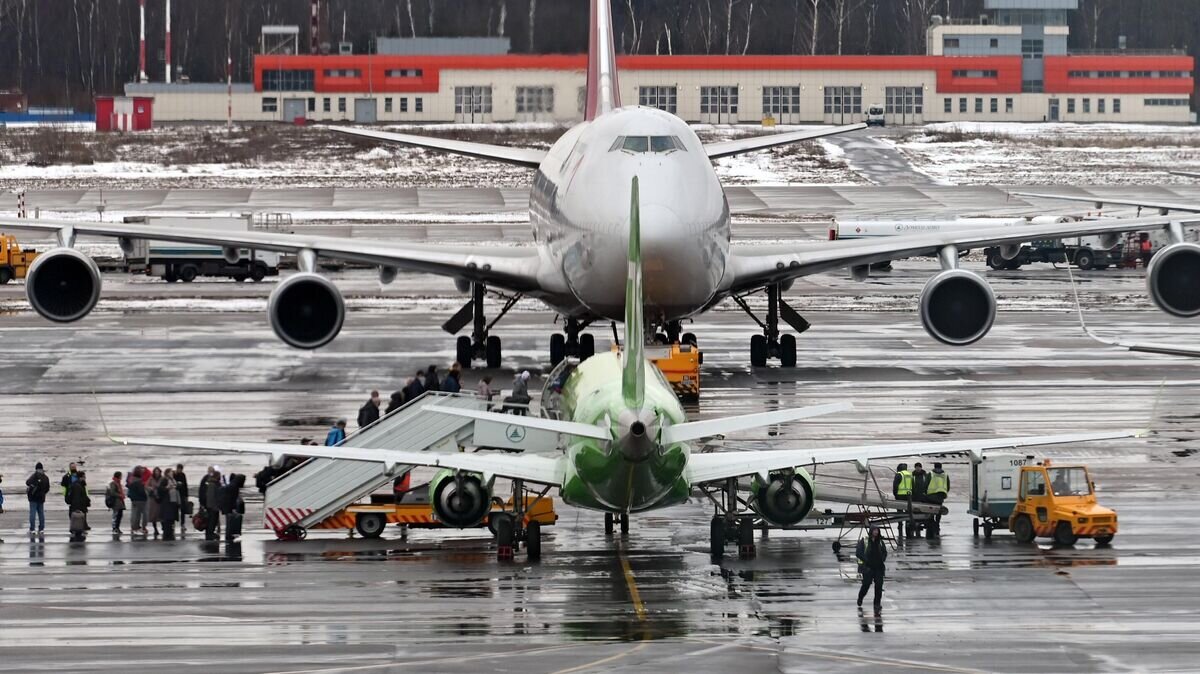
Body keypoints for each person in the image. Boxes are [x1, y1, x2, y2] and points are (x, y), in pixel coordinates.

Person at [856, 527, 888, 608]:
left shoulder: (880, 542)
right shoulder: (864, 541)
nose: (876, 532)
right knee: (866, 585)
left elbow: (884, 552)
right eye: (874, 530)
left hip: (878, 567)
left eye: (877, 531)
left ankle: (877, 603)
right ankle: (860, 597)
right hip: (868, 567)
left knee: (879, 585)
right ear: (871, 531)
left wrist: (882, 559)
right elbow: (858, 553)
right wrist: (866, 560)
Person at [25, 462, 50, 534]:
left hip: (33, 498)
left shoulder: (34, 476)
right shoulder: (45, 477)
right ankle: (41, 528)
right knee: (41, 513)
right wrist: (43, 493)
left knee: (32, 513)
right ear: (42, 468)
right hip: (41, 498)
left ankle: (32, 529)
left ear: (36, 468)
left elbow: (27, 482)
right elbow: (47, 488)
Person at [67, 472, 91, 537]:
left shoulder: (80, 484)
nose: (85, 478)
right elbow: (77, 498)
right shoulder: (77, 485)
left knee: (79, 520)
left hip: (80, 505)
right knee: (78, 520)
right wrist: (78, 508)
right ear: (80, 477)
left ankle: (79, 530)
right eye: (84, 477)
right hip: (79, 506)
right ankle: (78, 532)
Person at [158, 469, 179, 540]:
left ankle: (170, 532)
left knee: (172, 518)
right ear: (167, 473)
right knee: (167, 518)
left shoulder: (173, 480)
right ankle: (167, 533)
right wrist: (167, 488)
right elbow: (160, 489)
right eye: (170, 472)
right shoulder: (165, 480)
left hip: (173, 500)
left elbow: (176, 487)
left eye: (172, 473)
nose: (172, 473)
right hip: (167, 501)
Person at [128, 466, 149, 535]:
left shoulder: (131, 480)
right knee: (145, 514)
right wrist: (146, 495)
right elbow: (141, 491)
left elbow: (130, 490)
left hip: (134, 500)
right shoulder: (139, 481)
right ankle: (143, 527)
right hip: (141, 500)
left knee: (135, 514)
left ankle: (133, 527)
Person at [147, 467, 163, 536]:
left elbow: (165, 486)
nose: (157, 473)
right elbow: (146, 486)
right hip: (153, 498)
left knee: (161, 513)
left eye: (158, 471)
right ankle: (155, 529)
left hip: (160, 497)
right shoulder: (151, 478)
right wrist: (151, 488)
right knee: (153, 514)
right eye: (155, 471)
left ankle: (163, 527)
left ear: (160, 472)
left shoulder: (162, 478)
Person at [175, 464, 189, 534]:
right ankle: (173, 524)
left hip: (182, 495)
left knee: (183, 510)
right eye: (179, 469)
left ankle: (182, 524)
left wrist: (186, 496)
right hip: (176, 494)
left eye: (181, 469)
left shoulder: (183, 475)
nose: (179, 470)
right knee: (175, 510)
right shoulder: (174, 474)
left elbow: (185, 485)